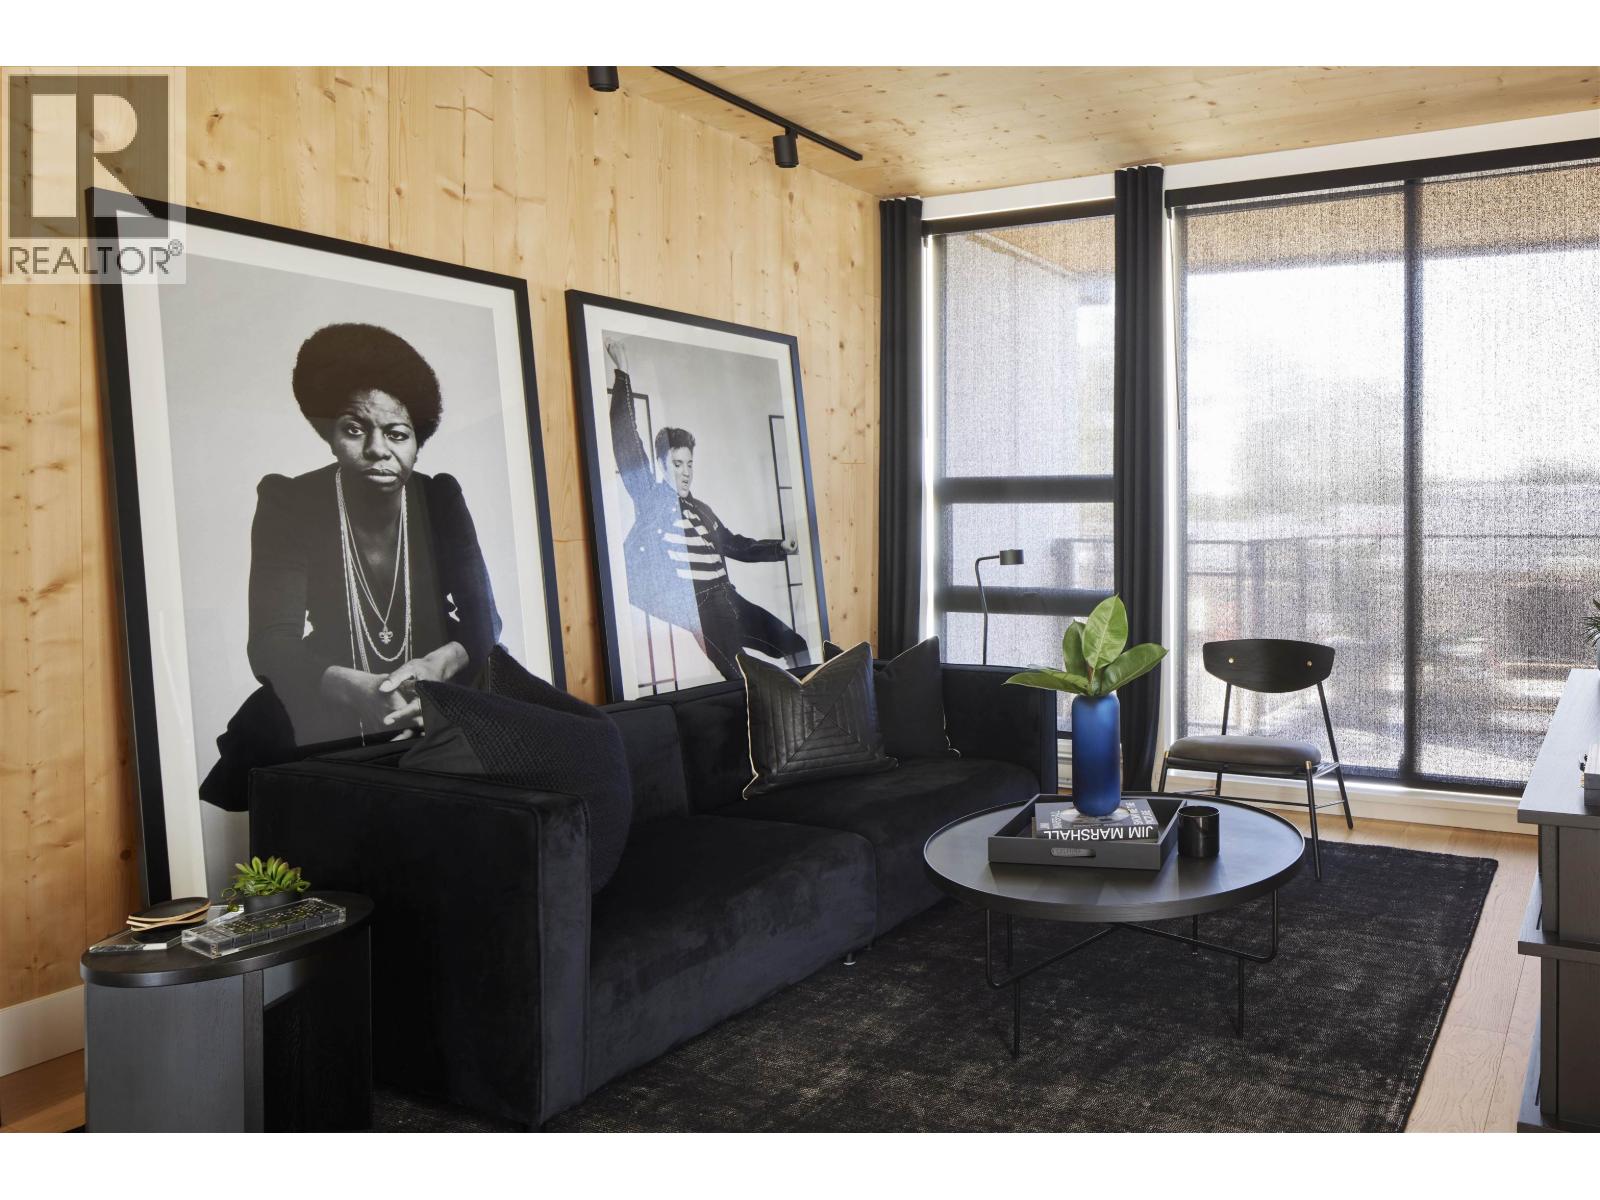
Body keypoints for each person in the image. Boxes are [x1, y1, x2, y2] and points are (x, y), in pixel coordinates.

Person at [199, 322, 500, 809]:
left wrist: (434, 671)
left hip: (441, 687)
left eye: (397, 433)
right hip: (328, 688)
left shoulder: (440, 497)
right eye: (355, 429)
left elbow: (484, 621)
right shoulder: (289, 501)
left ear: (416, 441)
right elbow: (271, 643)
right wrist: (356, 688)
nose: (378, 448)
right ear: (330, 435)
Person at [605, 337, 811, 681]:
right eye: (677, 464)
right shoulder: (651, 498)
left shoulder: (701, 509)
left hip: (730, 597)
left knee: (798, 645)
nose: (685, 472)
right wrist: (622, 374)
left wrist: (780, 547)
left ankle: (809, 705)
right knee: (744, 680)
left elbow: (734, 544)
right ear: (661, 466)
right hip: (700, 606)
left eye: (689, 464)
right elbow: (626, 440)